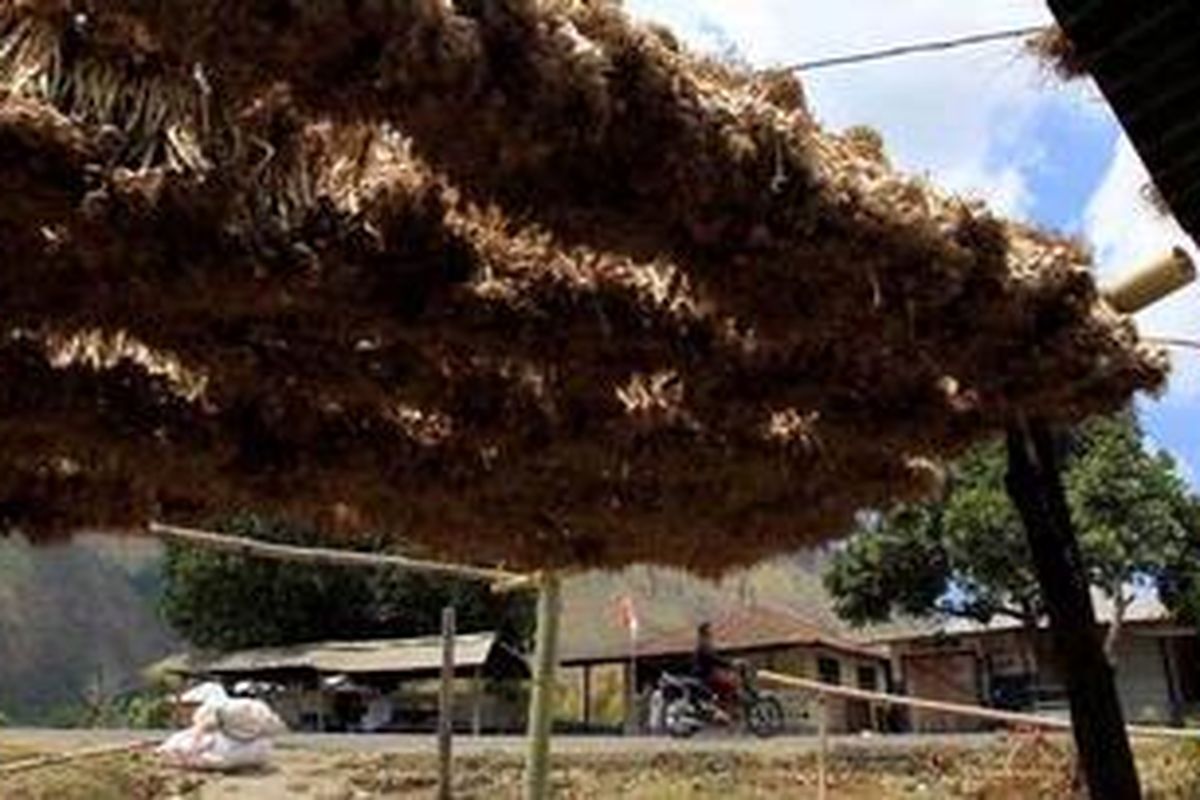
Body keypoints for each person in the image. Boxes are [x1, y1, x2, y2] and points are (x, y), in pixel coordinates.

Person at [692, 622, 738, 711]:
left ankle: (723, 705)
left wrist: (727, 665)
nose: (712, 632)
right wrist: (730, 664)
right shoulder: (704, 644)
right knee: (728, 685)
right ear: (705, 632)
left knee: (726, 681)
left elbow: (714, 658)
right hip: (705, 674)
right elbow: (712, 658)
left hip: (707, 672)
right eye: (710, 629)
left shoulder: (705, 643)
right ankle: (722, 707)